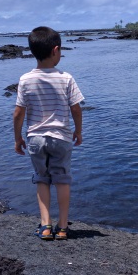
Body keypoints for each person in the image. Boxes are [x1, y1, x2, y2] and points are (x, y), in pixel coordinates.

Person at [13, 26, 84, 241]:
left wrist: (18, 138)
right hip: (61, 137)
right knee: (62, 180)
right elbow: (76, 108)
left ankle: (45, 225)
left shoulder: (25, 79)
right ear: (55, 50)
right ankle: (62, 227)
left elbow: (18, 113)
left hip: (35, 138)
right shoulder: (66, 78)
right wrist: (78, 131)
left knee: (42, 179)